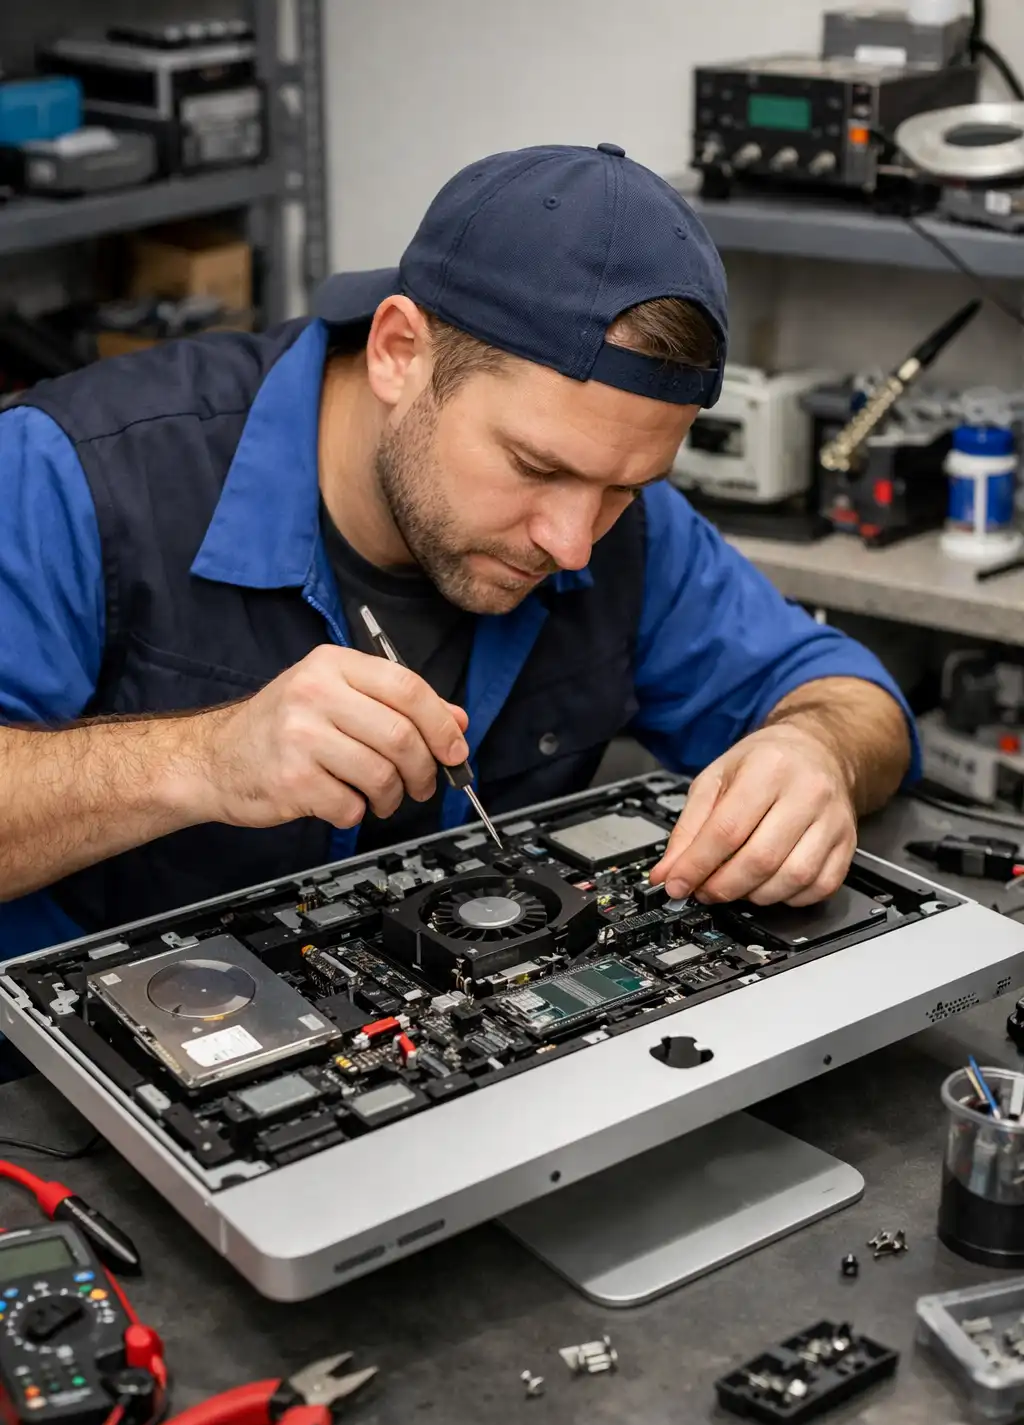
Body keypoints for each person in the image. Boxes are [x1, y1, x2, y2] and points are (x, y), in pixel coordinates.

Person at [0, 142, 916, 970]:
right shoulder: (69, 474)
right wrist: (202, 759)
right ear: (400, 351)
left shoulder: (623, 522)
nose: (572, 542)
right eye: (535, 467)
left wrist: (814, 751)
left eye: (625, 487)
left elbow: (846, 695)